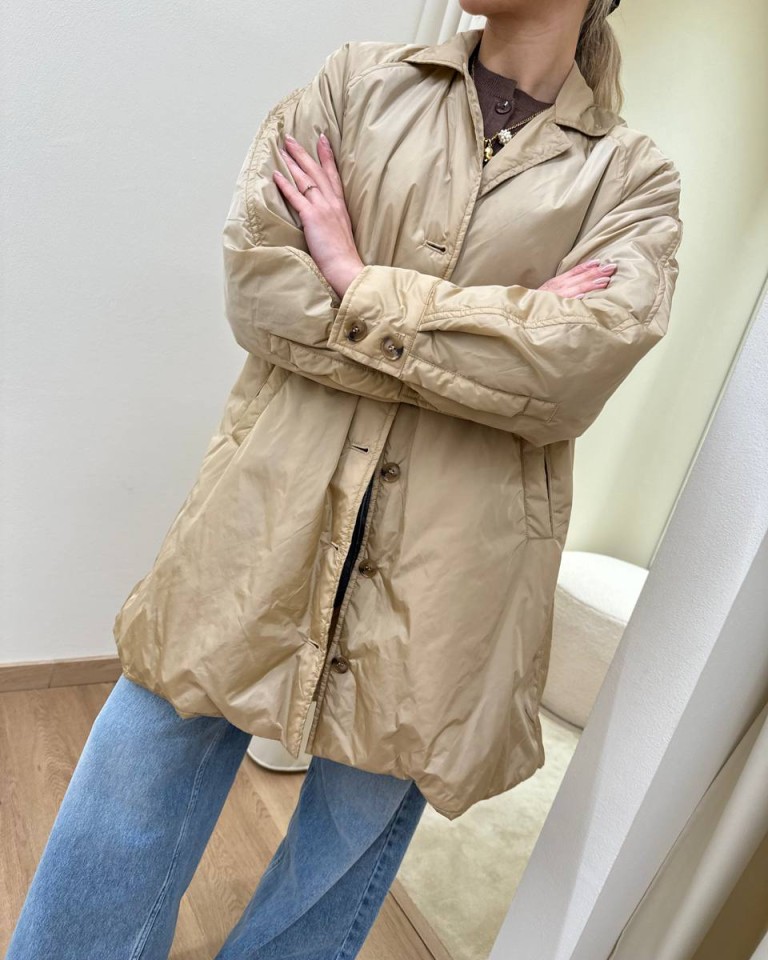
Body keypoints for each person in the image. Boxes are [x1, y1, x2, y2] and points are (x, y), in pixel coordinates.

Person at [7, 0, 683, 957]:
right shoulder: (357, 84)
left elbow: (569, 376)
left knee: (352, 825)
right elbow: (260, 289)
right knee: (149, 746)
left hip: (458, 562)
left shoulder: (632, 178)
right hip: (269, 503)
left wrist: (355, 277)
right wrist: (505, 321)